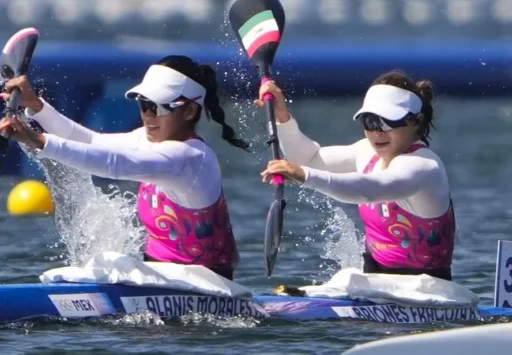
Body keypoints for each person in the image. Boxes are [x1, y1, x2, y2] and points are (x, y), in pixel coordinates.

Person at [0, 55, 251, 281]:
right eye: (144, 104)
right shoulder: (148, 139)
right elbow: (91, 141)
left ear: (189, 111)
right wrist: (36, 106)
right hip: (160, 278)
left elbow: (115, 164)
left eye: (158, 106)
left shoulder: (191, 158)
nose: (148, 115)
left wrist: (37, 140)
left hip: (206, 285)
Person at [257, 70, 456, 281]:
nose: (378, 132)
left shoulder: (424, 167)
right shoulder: (366, 152)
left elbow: (370, 189)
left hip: (427, 288)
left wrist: (305, 175)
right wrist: (282, 117)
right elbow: (308, 159)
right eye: (370, 121)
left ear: (417, 121)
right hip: (375, 283)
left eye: (389, 121)